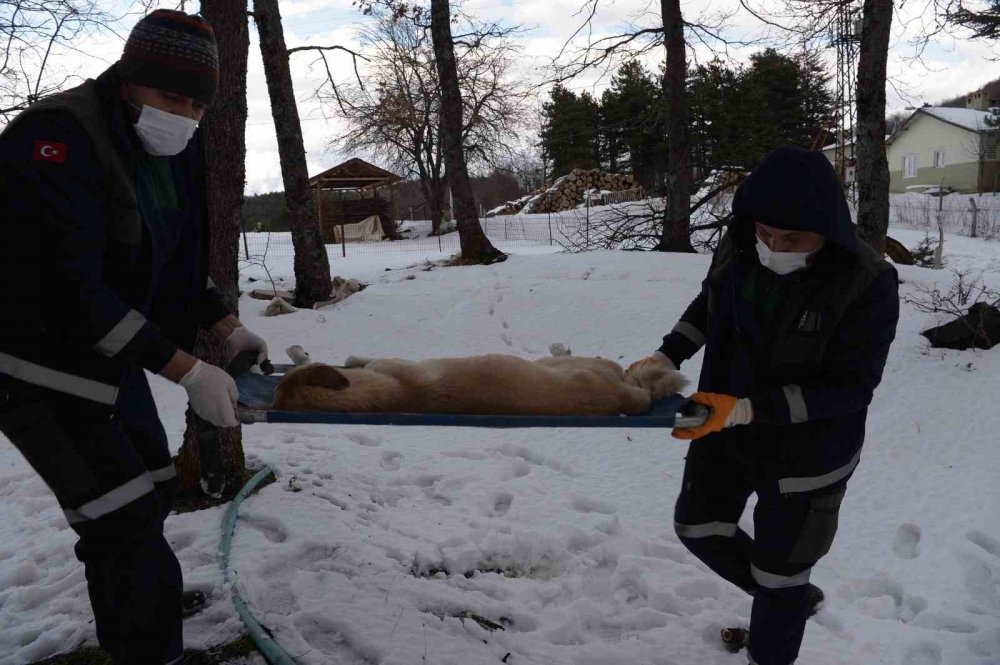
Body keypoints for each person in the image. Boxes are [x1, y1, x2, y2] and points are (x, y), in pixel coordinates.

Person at [0, 10, 269, 664]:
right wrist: (186, 370)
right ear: (129, 80)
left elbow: (173, 261)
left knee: (151, 489)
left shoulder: (171, 150)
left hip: (107, 357)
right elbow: (67, 287)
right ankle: (148, 647)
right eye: (172, 97)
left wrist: (226, 327)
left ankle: (142, 608)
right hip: (31, 363)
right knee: (117, 513)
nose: (185, 116)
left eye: (198, 105)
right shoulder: (54, 138)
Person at [627, 146, 899, 665]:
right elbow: (709, 303)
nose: (774, 246)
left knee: (780, 575)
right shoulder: (739, 242)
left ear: (828, 230)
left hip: (808, 457)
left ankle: (778, 617)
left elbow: (850, 387)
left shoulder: (867, 281)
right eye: (766, 233)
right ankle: (790, 600)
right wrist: (666, 354)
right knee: (698, 528)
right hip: (724, 430)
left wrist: (747, 409)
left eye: (792, 239)